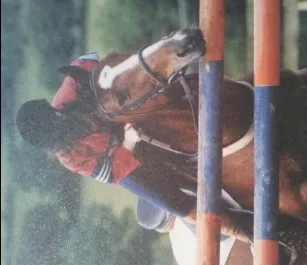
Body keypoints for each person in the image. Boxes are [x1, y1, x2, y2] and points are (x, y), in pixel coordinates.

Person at [16, 52, 253, 242]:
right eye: (55, 127)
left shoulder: (66, 96)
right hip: (126, 160)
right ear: (51, 142)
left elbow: (90, 59)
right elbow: (110, 172)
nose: (59, 118)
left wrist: (92, 80)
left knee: (183, 84)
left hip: (128, 114)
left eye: (55, 115)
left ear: (51, 109)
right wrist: (128, 142)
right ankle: (245, 232)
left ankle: (240, 86)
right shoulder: (69, 157)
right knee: (170, 201)